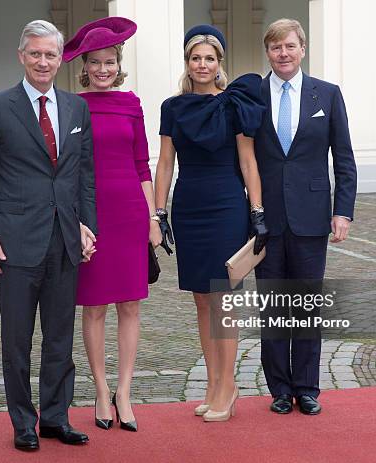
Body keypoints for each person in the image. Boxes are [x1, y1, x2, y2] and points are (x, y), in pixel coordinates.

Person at [0, 20, 97, 450]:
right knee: (17, 340)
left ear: (61, 59)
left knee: (60, 337)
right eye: (36, 54)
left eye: (51, 54)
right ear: (21, 56)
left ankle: (56, 418)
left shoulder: (77, 109)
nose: (44, 61)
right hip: (15, 243)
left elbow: (84, 177)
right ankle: (23, 422)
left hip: (64, 241)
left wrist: (86, 225)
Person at [154, 24, 268, 422]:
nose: (202, 64)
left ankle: (228, 385)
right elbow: (165, 162)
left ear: (220, 63)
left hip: (225, 206)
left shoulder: (234, 104)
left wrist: (257, 212)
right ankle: (213, 382)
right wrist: (159, 211)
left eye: (209, 58)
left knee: (224, 298)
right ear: (187, 63)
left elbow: (248, 161)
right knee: (202, 298)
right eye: (195, 58)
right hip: (189, 205)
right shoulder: (172, 107)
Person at [253, 18, 357, 416]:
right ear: (268, 51)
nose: (283, 54)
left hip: (313, 217)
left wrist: (342, 211)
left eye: (290, 47)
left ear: (303, 49)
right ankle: (279, 388)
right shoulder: (253, 95)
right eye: (276, 47)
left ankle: (308, 387)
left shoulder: (327, 95)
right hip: (267, 219)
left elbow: (344, 158)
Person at [62, 17, 160, 433]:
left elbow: (142, 165)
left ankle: (125, 391)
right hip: (92, 216)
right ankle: (101, 390)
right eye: (95, 63)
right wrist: (78, 223)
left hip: (130, 215)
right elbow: (67, 170)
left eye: (109, 62)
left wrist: (154, 217)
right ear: (84, 67)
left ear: (118, 64)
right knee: (95, 307)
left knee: (130, 306)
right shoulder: (72, 106)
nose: (102, 69)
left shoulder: (132, 104)